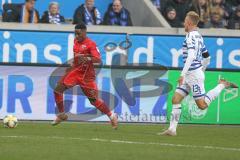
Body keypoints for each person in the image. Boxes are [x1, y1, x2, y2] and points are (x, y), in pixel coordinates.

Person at [160, 11, 238, 136]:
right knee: (175, 99)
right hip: (193, 73)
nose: (184, 24)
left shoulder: (190, 36)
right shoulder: (199, 37)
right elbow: (207, 56)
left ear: (189, 23)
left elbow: (191, 56)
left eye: (185, 22)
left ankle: (222, 85)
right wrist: (202, 69)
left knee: (202, 105)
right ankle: (172, 130)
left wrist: (183, 74)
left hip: (192, 75)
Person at [52, 23, 118, 129]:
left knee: (94, 101)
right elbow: (76, 58)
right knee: (57, 89)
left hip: (87, 77)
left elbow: (98, 59)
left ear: (84, 32)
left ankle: (112, 116)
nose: (76, 36)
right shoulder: (75, 42)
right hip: (75, 72)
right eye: (75, 34)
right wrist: (71, 67)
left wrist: (88, 58)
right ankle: (62, 114)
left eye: (78, 34)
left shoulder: (91, 44)